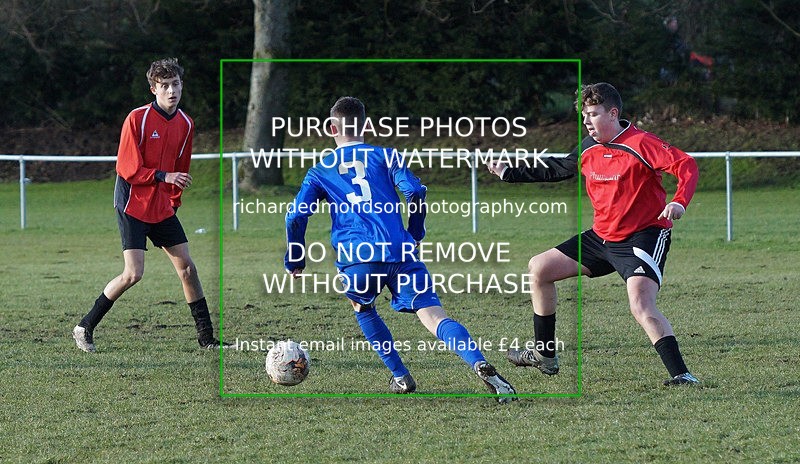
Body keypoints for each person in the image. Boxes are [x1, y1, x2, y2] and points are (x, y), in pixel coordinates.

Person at [285, 96, 516, 402]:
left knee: (363, 308)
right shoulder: (387, 155)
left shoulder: (320, 170)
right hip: (400, 250)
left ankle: (400, 376)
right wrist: (415, 231)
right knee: (434, 317)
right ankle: (478, 362)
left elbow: (296, 215)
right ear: (365, 125)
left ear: (331, 128)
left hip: (357, 257)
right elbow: (415, 190)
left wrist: (296, 258)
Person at [487, 83, 700, 386]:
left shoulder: (641, 143)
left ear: (613, 113)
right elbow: (561, 168)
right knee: (539, 268)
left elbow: (685, 164)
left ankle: (682, 375)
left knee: (640, 304)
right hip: (601, 238)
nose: (587, 122)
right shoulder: (589, 146)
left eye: (593, 114)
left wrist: (679, 201)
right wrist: (510, 172)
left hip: (643, 236)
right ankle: (545, 355)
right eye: (584, 116)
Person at [72, 58, 229, 353]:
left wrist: (173, 200)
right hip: (132, 203)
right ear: (153, 89)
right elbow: (127, 167)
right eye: (165, 86)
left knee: (187, 268)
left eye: (176, 84)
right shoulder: (137, 119)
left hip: (161, 206)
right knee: (133, 274)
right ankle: (85, 326)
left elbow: (180, 168)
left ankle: (207, 339)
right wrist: (162, 176)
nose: (172, 91)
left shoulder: (186, 124)